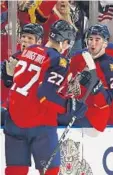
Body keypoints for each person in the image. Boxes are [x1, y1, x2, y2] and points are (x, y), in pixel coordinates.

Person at [4, 20, 87, 175]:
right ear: (64, 42)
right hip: (38, 122)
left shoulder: (31, 49)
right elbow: (45, 95)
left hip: (13, 119)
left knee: (16, 170)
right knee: (51, 170)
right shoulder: (59, 60)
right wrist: (70, 106)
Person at [58, 24, 113, 131]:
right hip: (73, 107)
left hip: (93, 115)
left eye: (97, 40)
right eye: (90, 39)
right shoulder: (78, 56)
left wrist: (95, 85)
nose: (93, 43)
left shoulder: (110, 65)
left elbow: (108, 100)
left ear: (105, 43)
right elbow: (66, 82)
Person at [1, 23, 44, 112]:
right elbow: (6, 90)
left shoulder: (46, 61)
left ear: (39, 42)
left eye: (30, 38)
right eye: (23, 37)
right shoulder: (13, 60)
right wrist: (9, 77)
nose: (25, 40)